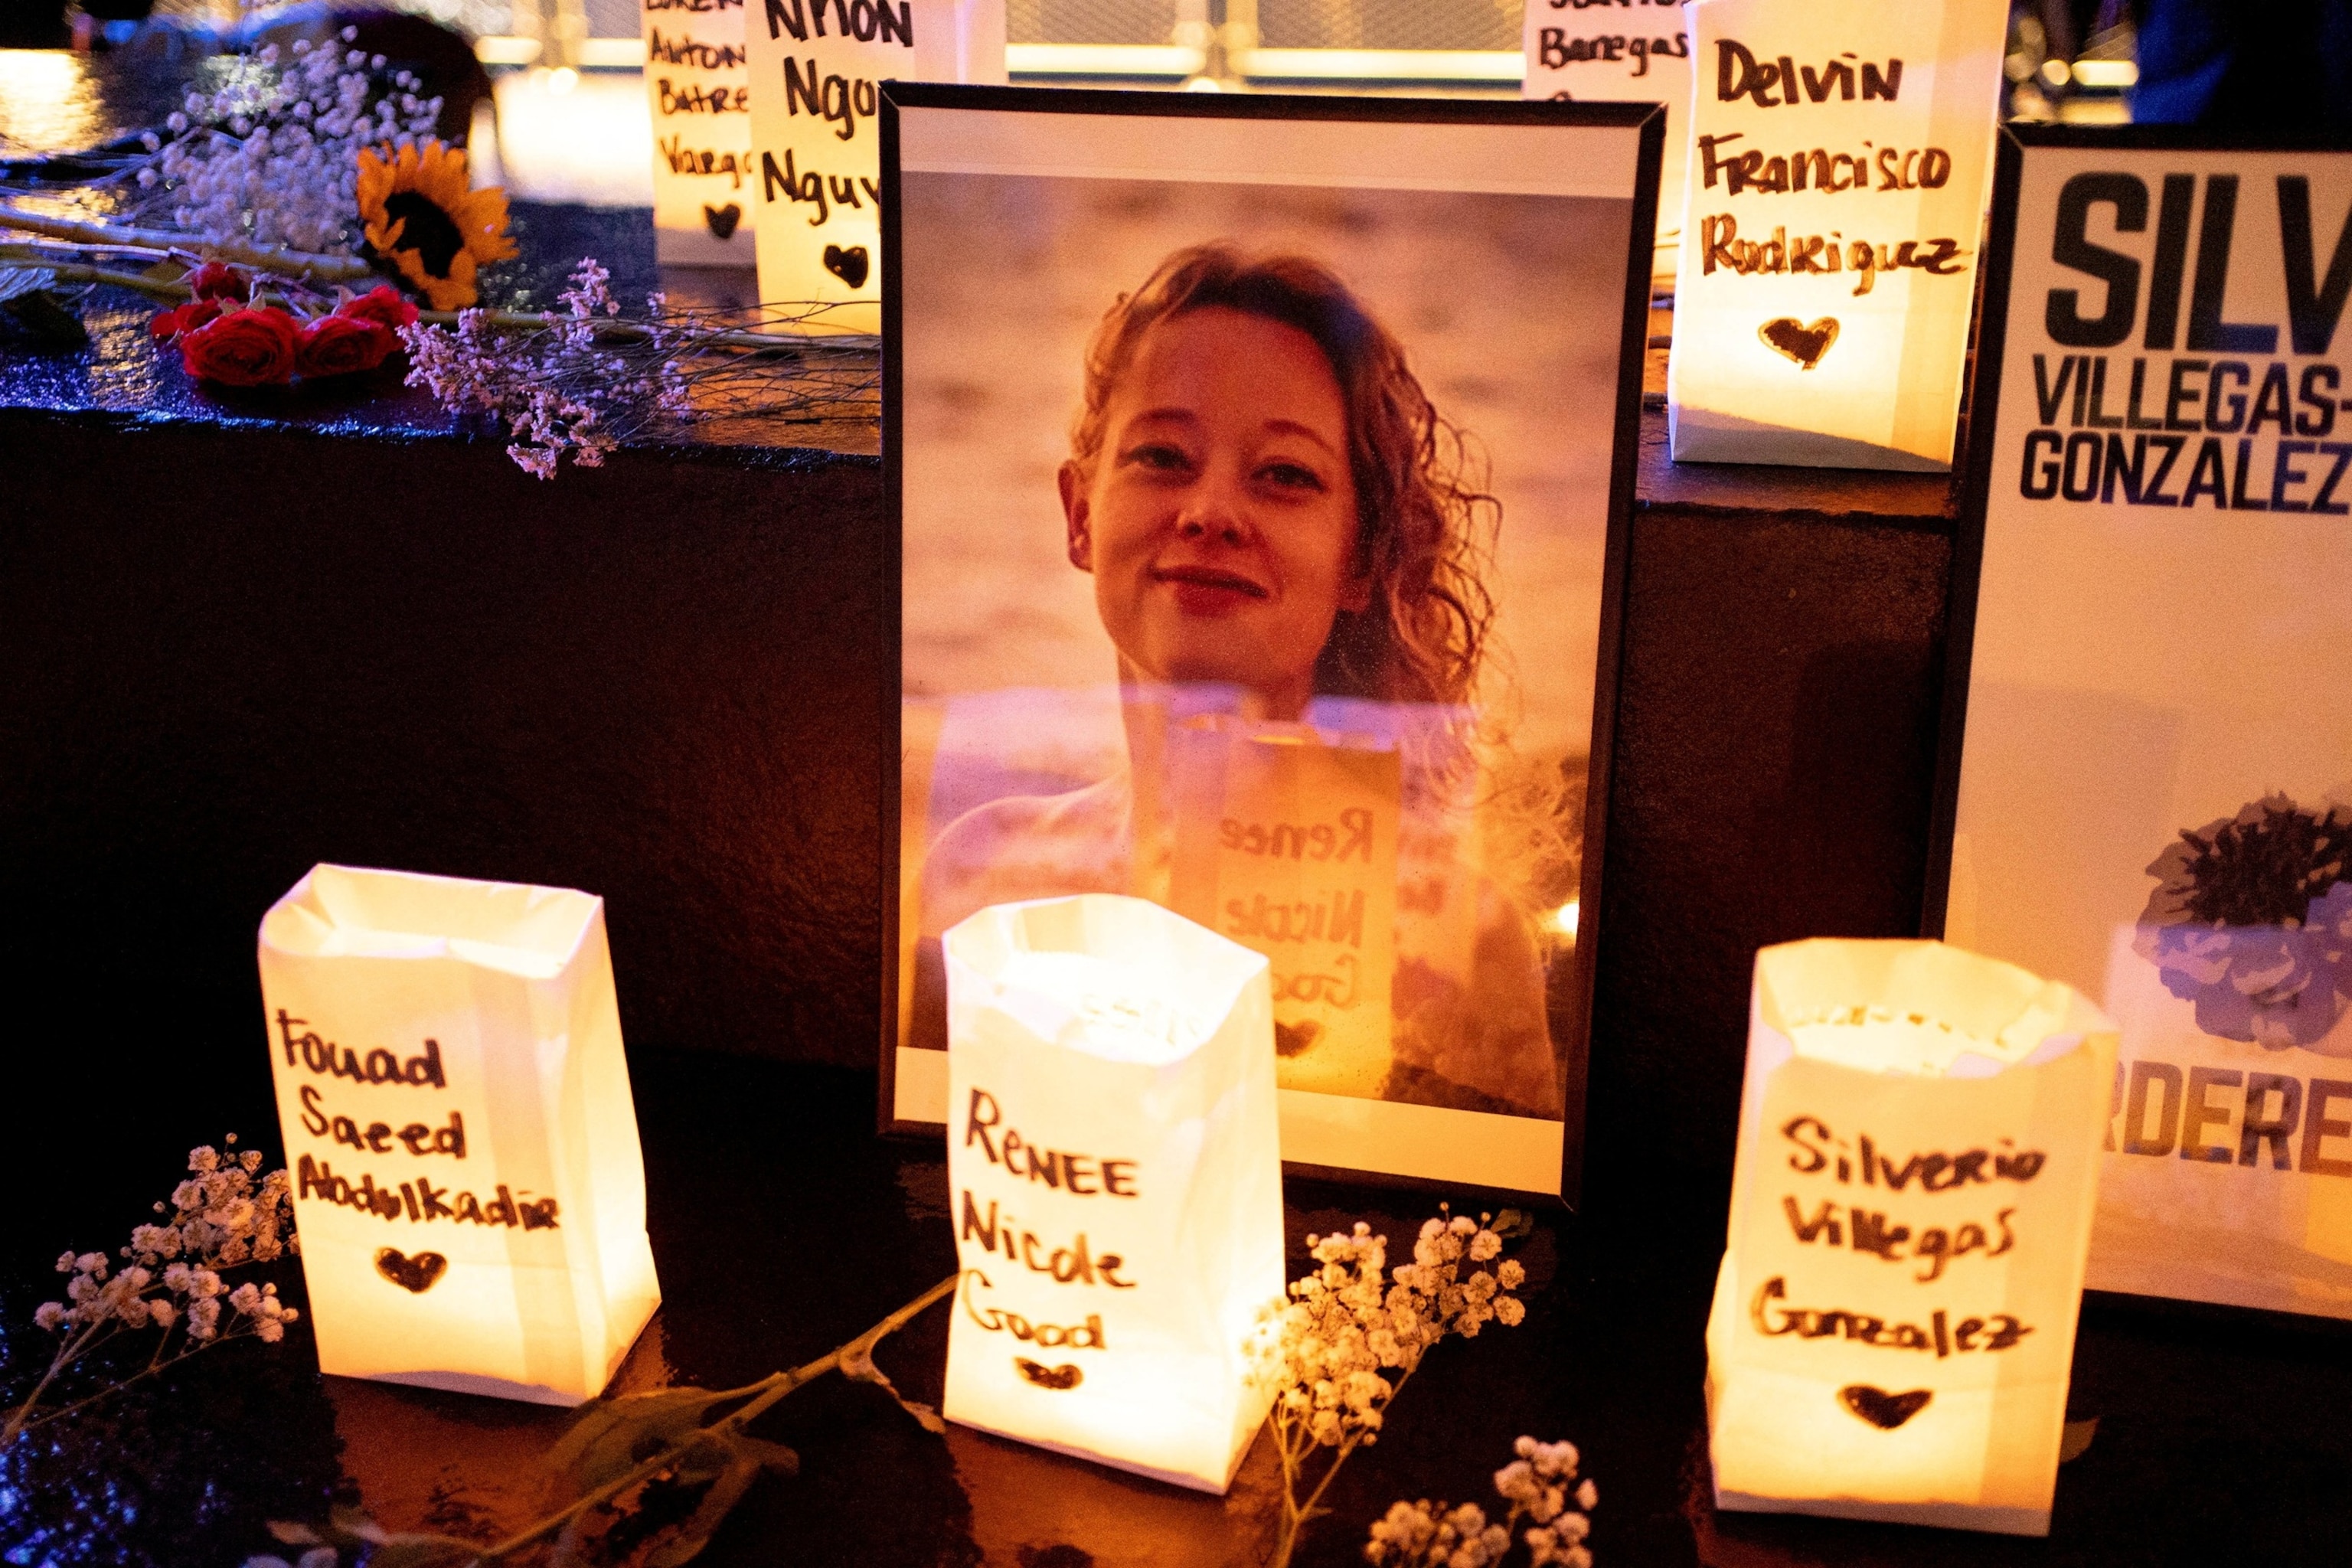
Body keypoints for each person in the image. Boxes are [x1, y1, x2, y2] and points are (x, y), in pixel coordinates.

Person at [914, 243, 1564, 1116]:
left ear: (1363, 557)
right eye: (1163, 456)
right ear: (1079, 514)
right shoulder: (984, 879)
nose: (1212, 511)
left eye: (1285, 475)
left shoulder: (1457, 939)